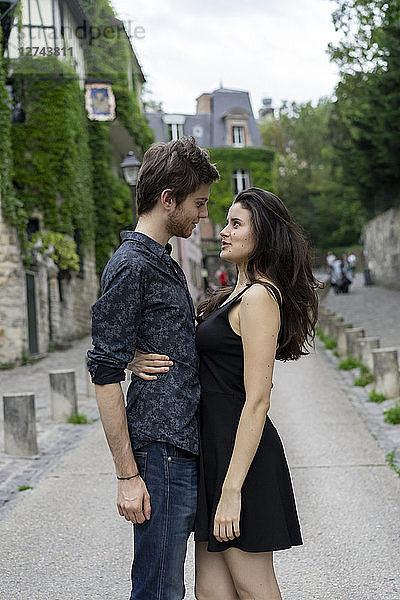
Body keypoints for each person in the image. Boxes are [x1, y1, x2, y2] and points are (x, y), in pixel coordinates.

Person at [132, 188, 319, 600]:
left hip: (241, 460)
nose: (224, 231)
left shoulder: (259, 298)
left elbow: (257, 400)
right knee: (212, 592)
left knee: (254, 589)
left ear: (263, 235)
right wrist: (131, 358)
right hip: (214, 453)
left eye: (237, 224)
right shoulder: (230, 296)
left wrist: (232, 489)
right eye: (227, 222)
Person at [86, 136, 220, 600]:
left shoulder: (161, 262)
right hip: (159, 453)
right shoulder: (132, 265)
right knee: (159, 589)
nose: (203, 215)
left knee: (168, 586)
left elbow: (128, 343)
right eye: (198, 203)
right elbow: (102, 370)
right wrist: (127, 476)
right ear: (168, 200)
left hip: (179, 445)